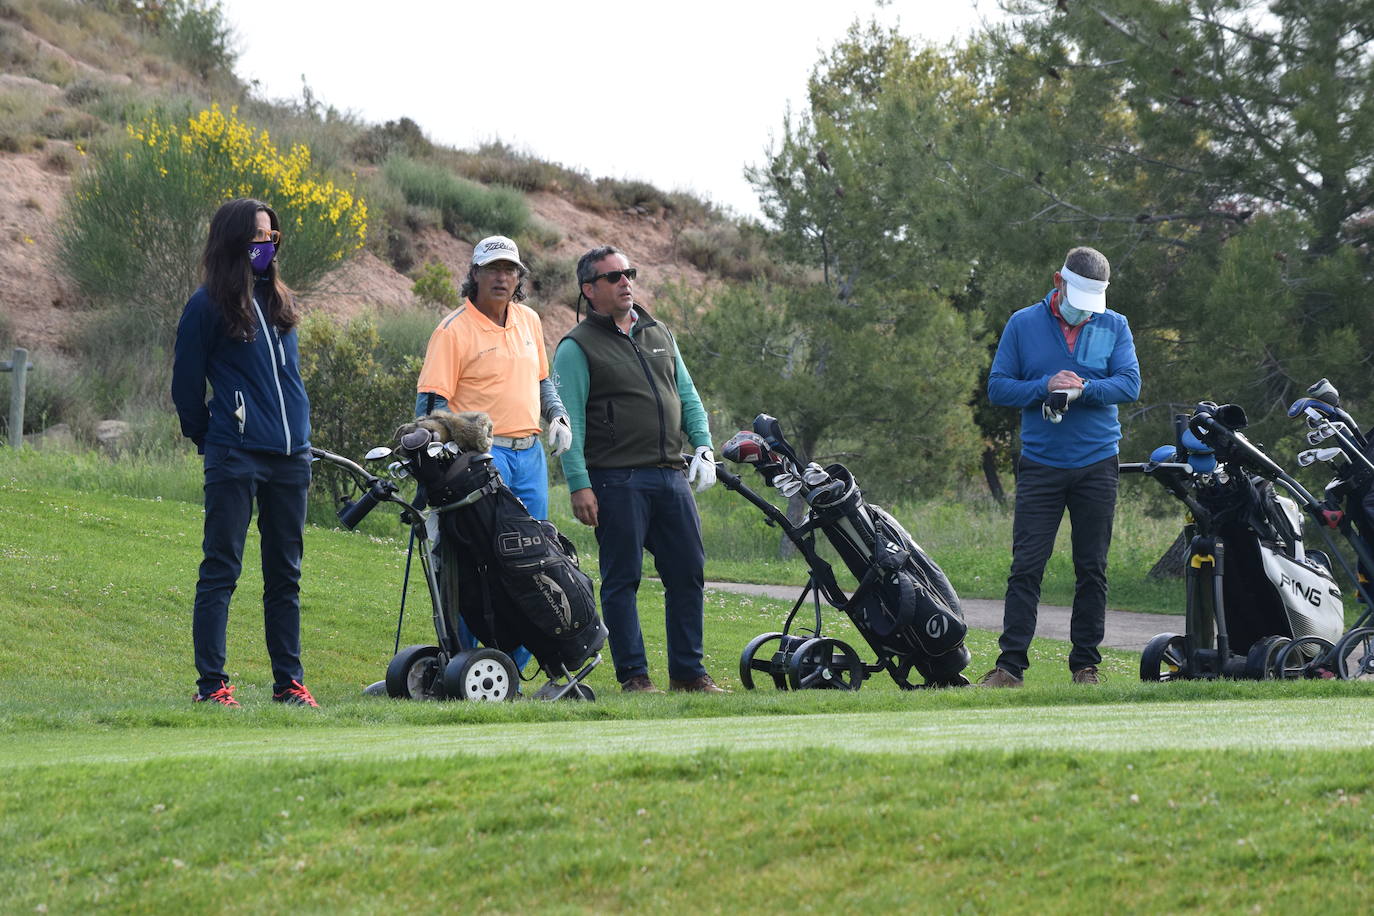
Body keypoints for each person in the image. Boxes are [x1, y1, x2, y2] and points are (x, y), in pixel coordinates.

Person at [553, 245, 725, 693]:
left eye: (628, 272)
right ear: (590, 290)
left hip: (670, 474)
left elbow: (687, 396)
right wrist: (579, 484)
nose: (625, 281)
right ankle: (634, 677)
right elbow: (571, 419)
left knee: (687, 572)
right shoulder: (576, 347)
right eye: (613, 277)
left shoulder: (659, 332)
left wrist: (704, 446)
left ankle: (689, 674)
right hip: (615, 479)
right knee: (622, 578)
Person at [171, 198, 318, 707]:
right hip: (235, 455)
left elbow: (288, 381)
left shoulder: (279, 302)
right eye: (258, 235)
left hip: (291, 457)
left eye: (272, 236)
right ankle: (212, 687)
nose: (266, 244)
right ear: (233, 239)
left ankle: (289, 686)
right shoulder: (205, 305)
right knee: (221, 571)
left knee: (286, 576)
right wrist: (209, 438)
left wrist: (299, 437)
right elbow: (186, 388)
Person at [981, 246, 1141, 687]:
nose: (1083, 315)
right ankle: (1010, 667)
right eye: (1078, 303)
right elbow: (998, 387)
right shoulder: (1023, 323)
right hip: (1041, 465)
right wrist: (1045, 386)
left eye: (1092, 306)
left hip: (1097, 464)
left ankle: (1085, 667)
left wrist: (1083, 389)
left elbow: (1129, 383)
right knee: (1026, 566)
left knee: (1092, 568)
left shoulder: (1114, 324)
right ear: (1058, 282)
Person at [414, 236, 571, 673]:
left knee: (533, 557)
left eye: (510, 270)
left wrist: (557, 415)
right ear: (475, 274)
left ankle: (515, 669)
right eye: (493, 269)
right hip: (480, 456)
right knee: (475, 561)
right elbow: (429, 406)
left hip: (529, 454)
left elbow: (542, 381)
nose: (502, 277)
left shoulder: (529, 320)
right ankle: (464, 665)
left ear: (519, 277)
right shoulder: (453, 330)